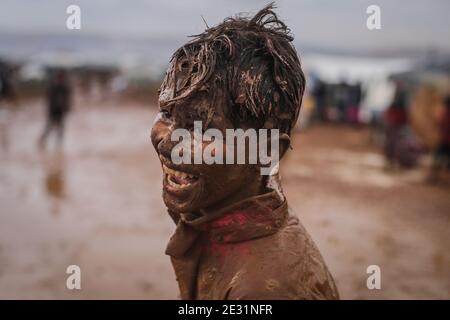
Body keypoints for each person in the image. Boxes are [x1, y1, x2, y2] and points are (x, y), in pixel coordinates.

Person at [150, 4, 339, 300]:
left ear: (267, 150)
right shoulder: (221, 220)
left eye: (201, 130)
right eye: (167, 114)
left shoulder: (261, 291)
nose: (168, 142)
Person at [39, 70, 72, 149]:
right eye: (60, 78)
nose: (61, 80)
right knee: (49, 127)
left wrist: (67, 108)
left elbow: (68, 99)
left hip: (61, 111)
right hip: (53, 110)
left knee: (61, 129)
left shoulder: (65, 87)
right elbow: (48, 99)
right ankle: (42, 141)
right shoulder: (52, 87)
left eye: (62, 78)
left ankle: (58, 145)